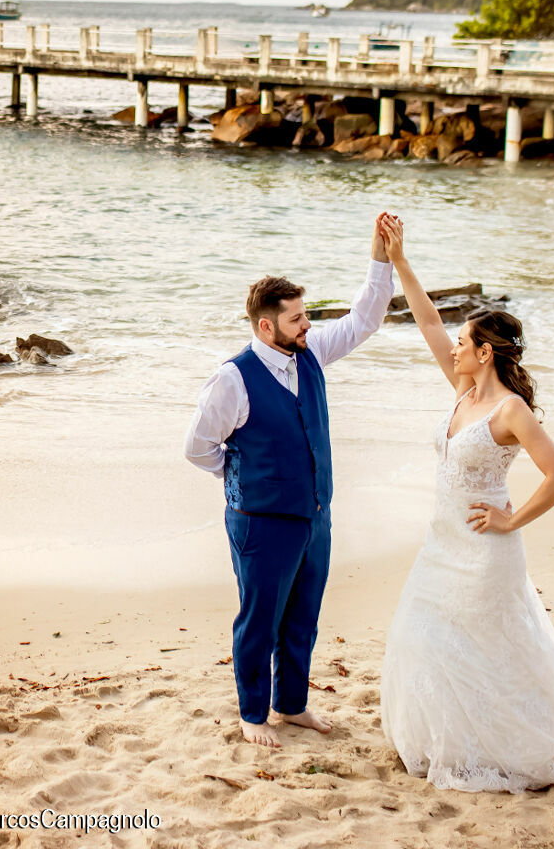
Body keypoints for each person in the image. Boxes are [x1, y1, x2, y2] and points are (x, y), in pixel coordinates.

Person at [377, 215, 554, 792]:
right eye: (455, 344)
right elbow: (427, 319)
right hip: (441, 543)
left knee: (482, 650)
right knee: (421, 637)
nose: (452, 349)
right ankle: (445, 742)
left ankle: (499, 745)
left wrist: (512, 518)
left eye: (462, 344)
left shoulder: (509, 412)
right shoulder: (463, 390)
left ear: (484, 353)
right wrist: (399, 259)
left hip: (485, 550)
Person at [184, 214, 395, 748]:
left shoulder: (311, 355)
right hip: (260, 523)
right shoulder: (231, 380)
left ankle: (292, 704)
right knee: (259, 621)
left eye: (306, 316)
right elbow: (198, 448)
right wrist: (246, 482)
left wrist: (379, 256)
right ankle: (253, 714)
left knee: (303, 615)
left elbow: (365, 319)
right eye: (298, 319)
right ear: (266, 327)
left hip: (314, 516)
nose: (308, 325)